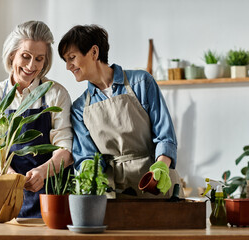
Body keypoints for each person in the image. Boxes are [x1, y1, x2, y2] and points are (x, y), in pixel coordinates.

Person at [58, 24, 184, 198]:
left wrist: (162, 165)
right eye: (66, 60)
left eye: (72, 57)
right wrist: (91, 174)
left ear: (94, 52)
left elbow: (165, 134)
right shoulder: (80, 108)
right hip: (114, 192)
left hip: (154, 182)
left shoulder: (141, 83)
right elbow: (87, 155)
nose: (68, 66)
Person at [0, 21, 73, 217]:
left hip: (51, 197)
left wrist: (43, 172)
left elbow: (66, 150)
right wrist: (11, 178)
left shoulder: (56, 94)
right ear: (12, 54)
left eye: (39, 59)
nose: (32, 66)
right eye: (25, 56)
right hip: (6, 195)